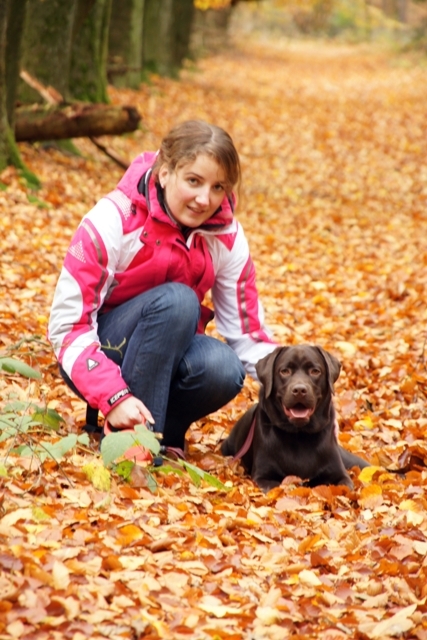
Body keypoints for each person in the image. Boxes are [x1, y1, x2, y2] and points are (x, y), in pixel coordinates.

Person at [48, 120, 277, 459]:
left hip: (170, 351)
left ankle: (166, 433)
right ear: (165, 172)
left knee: (224, 369)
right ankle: (135, 445)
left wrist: (291, 386)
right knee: (179, 301)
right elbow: (67, 328)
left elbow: (247, 335)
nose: (205, 199)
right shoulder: (112, 219)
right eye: (194, 181)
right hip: (105, 352)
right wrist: (113, 395)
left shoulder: (226, 236)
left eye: (218, 187)